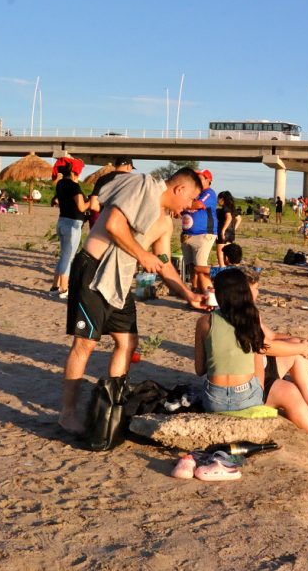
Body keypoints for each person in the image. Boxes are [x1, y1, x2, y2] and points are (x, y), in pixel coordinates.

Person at [59, 167, 207, 434]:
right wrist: (142, 255)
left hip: (121, 278)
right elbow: (114, 224)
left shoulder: (165, 223)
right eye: (190, 199)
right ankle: (67, 414)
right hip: (94, 269)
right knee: (85, 344)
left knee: (127, 342)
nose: (189, 206)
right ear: (180, 189)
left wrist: (189, 295)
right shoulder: (142, 188)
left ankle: (113, 404)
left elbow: (163, 263)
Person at [195, 267, 308, 462]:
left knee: (258, 352)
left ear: (218, 295)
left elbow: (200, 369)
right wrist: (259, 385)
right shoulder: (250, 317)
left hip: (214, 401)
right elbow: (263, 349)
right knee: (288, 389)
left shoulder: (203, 322)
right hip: (246, 398)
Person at [52, 159, 90, 298]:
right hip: (73, 224)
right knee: (68, 258)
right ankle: (64, 289)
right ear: (74, 173)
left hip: (62, 221)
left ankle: (55, 286)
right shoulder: (74, 186)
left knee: (64, 256)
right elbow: (82, 207)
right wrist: (92, 201)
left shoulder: (60, 183)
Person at [180, 170, 217, 295]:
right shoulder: (193, 193)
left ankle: (207, 293)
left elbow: (197, 204)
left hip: (203, 235)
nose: (196, 180)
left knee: (200, 267)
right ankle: (195, 289)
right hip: (187, 235)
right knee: (190, 266)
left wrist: (181, 203)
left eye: (200, 178)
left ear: (208, 180)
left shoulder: (209, 193)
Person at [88, 157, 135, 228]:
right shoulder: (132, 180)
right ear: (129, 166)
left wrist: (105, 212)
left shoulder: (102, 179)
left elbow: (93, 205)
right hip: (122, 223)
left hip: (103, 222)